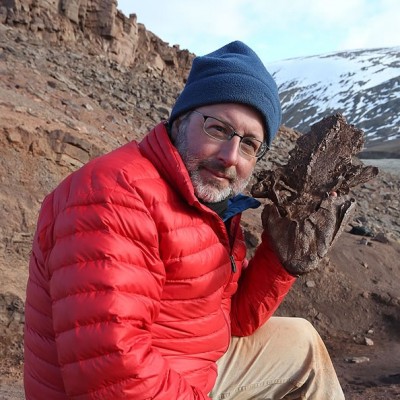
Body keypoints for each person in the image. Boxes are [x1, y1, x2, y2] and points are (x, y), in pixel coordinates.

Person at [24, 41, 345, 399]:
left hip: (183, 365)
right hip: (129, 385)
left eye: (250, 144)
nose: (230, 156)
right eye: (218, 129)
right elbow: (112, 372)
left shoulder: (203, 200)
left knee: (302, 344)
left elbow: (228, 321)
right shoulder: (115, 196)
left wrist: (280, 262)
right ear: (180, 120)